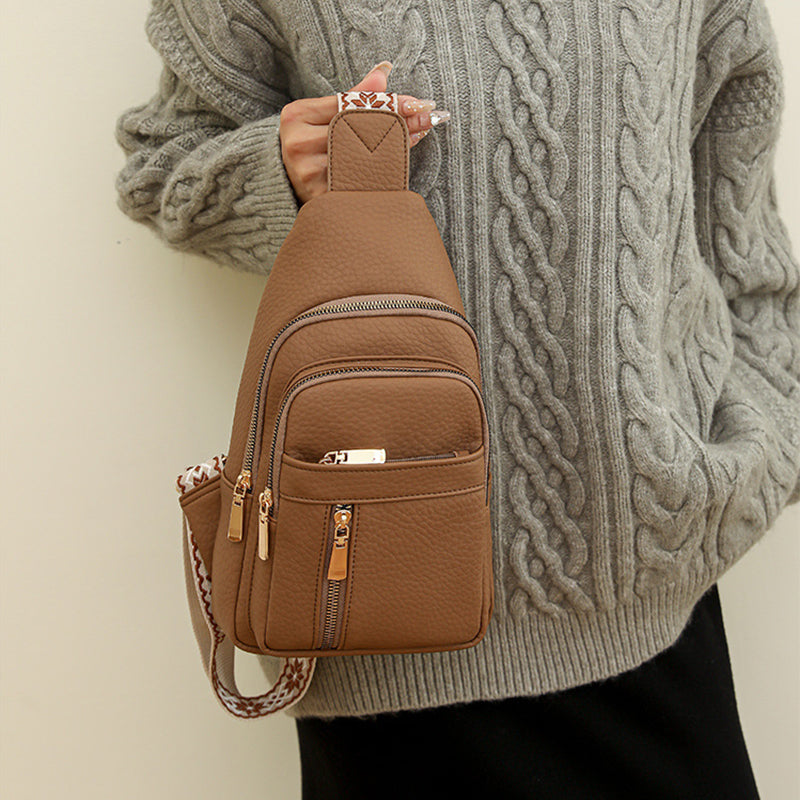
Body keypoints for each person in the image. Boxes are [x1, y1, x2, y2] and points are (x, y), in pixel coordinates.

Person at [115, 1, 799, 797]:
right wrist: (279, 167)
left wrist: (773, 433)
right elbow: (163, 171)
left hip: (649, 590)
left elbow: (742, 234)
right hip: (378, 602)